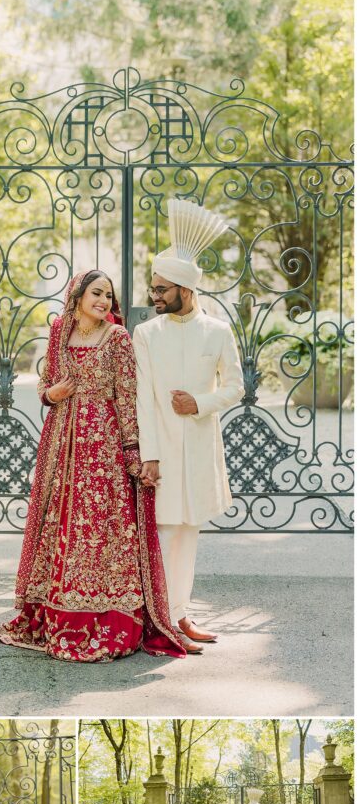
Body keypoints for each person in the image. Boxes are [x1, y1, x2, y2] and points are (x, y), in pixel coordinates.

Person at [0, 269, 190, 660]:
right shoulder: (59, 333)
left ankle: (106, 619)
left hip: (103, 448)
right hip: (61, 445)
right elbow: (44, 386)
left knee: (101, 531)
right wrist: (53, 393)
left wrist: (134, 453)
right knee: (60, 523)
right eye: (96, 293)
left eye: (108, 296)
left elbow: (127, 396)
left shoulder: (118, 338)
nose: (103, 301)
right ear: (79, 296)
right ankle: (56, 615)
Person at [134, 198, 244, 645]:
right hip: (159, 453)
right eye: (154, 288)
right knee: (157, 536)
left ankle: (179, 617)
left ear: (185, 290)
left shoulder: (217, 331)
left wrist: (198, 402)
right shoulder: (146, 333)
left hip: (199, 449)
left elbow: (235, 387)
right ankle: (151, 619)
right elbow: (143, 397)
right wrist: (151, 455)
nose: (154, 296)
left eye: (161, 289)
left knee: (187, 534)